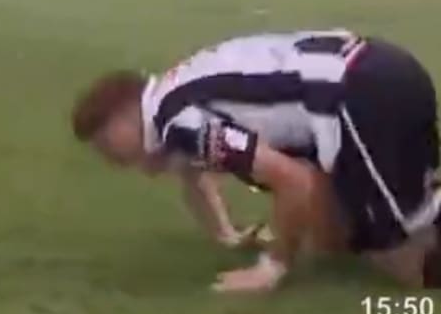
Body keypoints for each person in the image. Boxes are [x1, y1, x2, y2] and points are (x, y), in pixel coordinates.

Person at [71, 30, 441, 292]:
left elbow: (293, 180)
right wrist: (226, 235)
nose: (109, 157)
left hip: (363, 96)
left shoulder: (176, 118)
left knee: (404, 263)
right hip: (376, 73)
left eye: (106, 142)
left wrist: (270, 269)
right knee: (334, 240)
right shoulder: (170, 100)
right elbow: (194, 177)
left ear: (124, 117)